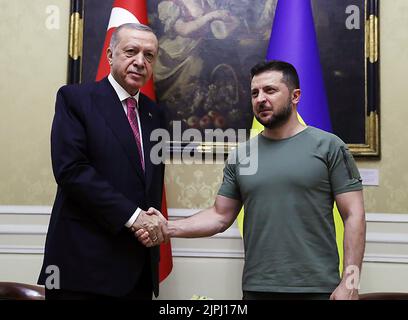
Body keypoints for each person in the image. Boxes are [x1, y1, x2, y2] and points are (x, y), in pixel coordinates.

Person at [138, 60, 366, 300]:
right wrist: (168, 227)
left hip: (318, 288)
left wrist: (351, 282)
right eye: (255, 93)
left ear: (295, 96)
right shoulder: (242, 155)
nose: (260, 99)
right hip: (257, 289)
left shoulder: (329, 146)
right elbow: (220, 215)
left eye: (270, 90)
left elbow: (354, 215)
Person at [38, 23, 168, 300]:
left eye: (149, 55)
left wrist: (152, 225)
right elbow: (71, 170)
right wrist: (135, 218)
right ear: (110, 55)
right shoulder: (76, 99)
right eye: (131, 51)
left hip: (138, 268)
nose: (139, 62)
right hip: (83, 267)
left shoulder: (154, 114)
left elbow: (149, 184)